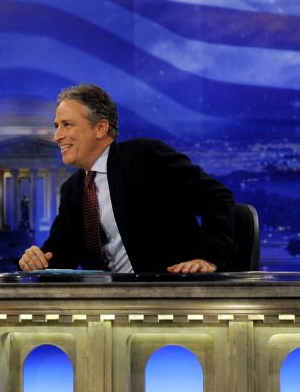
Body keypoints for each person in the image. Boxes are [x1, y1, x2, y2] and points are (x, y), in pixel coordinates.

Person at [19, 84, 234, 274]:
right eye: (57, 126)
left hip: (170, 295)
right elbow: (62, 254)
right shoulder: (73, 189)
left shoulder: (146, 158)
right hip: (107, 306)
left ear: (100, 128)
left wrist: (208, 258)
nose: (57, 136)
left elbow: (216, 197)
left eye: (67, 125)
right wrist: (38, 260)